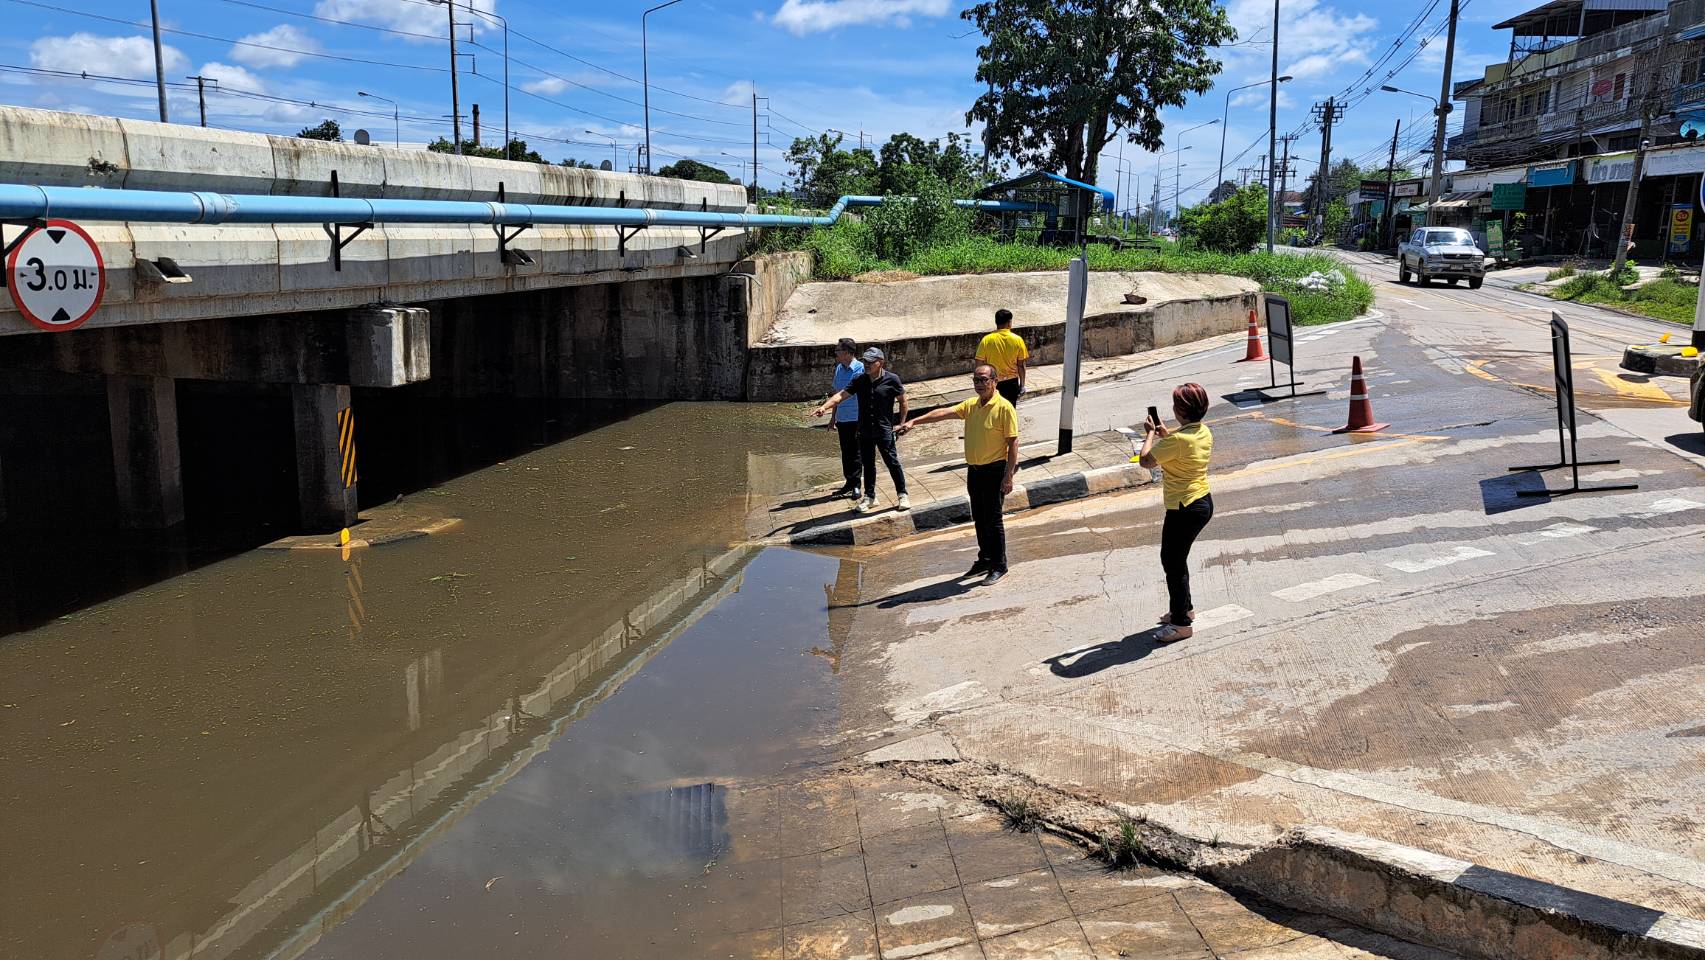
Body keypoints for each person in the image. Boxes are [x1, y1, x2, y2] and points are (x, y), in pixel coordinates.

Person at [898, 362, 1018, 584]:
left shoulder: (1004, 408)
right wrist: (915, 421)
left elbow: (1013, 443)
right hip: (974, 471)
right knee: (980, 519)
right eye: (976, 380)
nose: (980, 384)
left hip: (994, 470)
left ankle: (999, 565)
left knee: (993, 520)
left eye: (984, 380)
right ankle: (985, 559)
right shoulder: (972, 405)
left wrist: (1008, 476)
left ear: (995, 381)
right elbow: (943, 413)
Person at [1138, 383, 1213, 642]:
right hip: (1201, 501)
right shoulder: (1202, 432)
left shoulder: (1179, 440)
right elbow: (1181, 447)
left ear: (1181, 410)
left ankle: (1181, 624)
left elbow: (1146, 461)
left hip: (1183, 507)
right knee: (1177, 559)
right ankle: (1185, 610)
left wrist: (1149, 434)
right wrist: (1165, 435)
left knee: (1172, 562)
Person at [811, 347, 909, 513]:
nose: (867, 365)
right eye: (865, 361)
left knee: (892, 462)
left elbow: (903, 401)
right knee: (868, 464)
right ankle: (870, 497)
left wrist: (901, 423)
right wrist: (824, 407)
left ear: (881, 363)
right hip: (864, 430)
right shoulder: (859, 379)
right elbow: (840, 395)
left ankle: (902, 494)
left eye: (871, 362)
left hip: (884, 429)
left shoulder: (892, 379)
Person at [824, 337, 864, 500]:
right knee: (846, 452)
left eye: (838, 351)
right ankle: (849, 482)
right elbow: (837, 395)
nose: (836, 354)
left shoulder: (860, 369)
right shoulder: (839, 369)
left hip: (856, 417)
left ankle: (856, 485)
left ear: (847, 353)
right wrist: (833, 418)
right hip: (843, 417)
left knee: (856, 452)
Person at [975, 309, 1029, 405]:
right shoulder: (1018, 340)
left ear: (996, 322)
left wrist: (979, 382)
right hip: (1011, 383)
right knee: (1009, 411)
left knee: (992, 410)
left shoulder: (986, 340)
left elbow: (979, 364)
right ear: (1009, 323)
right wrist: (1022, 385)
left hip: (992, 382)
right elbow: (1021, 366)